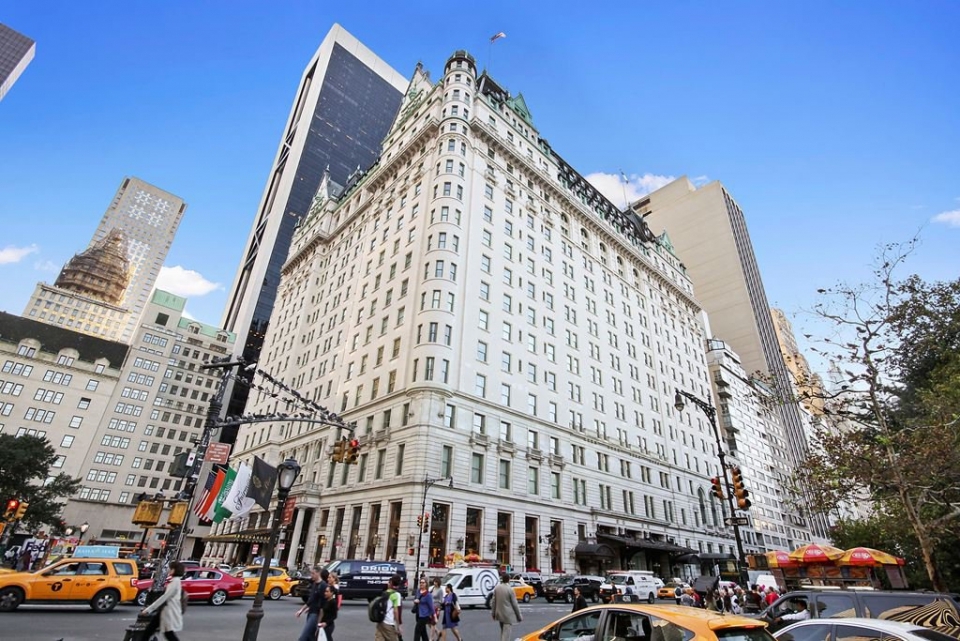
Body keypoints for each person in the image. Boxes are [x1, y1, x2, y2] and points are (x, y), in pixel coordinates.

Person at [141, 560, 185, 641]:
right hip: (165, 610)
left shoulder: (175, 582)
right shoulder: (175, 581)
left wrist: (149, 609)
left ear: (174, 570)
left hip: (168, 611)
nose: (169, 570)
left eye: (170, 568)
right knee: (152, 630)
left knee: (165, 633)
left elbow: (164, 597)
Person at [296, 566, 329, 641]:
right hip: (311, 612)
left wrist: (319, 621)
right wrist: (302, 610)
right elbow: (311, 600)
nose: (311, 575)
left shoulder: (323, 586)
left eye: (313, 573)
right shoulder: (314, 584)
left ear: (318, 573)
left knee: (304, 637)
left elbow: (323, 606)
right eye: (311, 573)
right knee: (310, 637)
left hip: (316, 614)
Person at [490, 572, 522, 641]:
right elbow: (515, 604)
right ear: (509, 580)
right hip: (508, 616)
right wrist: (519, 616)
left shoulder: (497, 588)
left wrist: (493, 613)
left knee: (502, 633)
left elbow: (493, 602)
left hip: (499, 614)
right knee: (506, 636)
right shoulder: (510, 589)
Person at [376, 574, 404, 641]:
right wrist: (398, 625)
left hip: (380, 621)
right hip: (389, 622)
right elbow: (396, 611)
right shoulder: (396, 595)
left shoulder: (384, 593)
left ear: (391, 582)